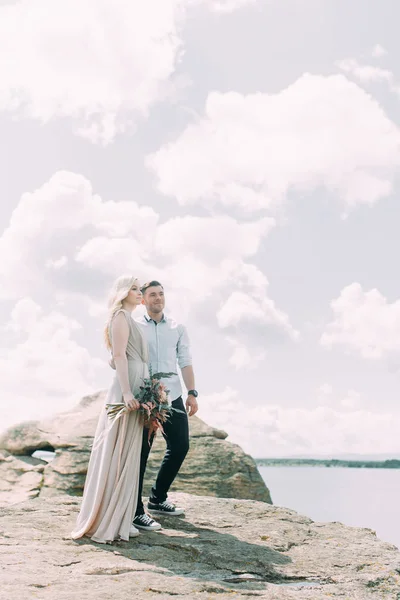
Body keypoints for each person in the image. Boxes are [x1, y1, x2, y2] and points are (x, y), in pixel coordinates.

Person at [71, 275, 148, 544]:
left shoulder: (129, 319)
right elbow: (118, 356)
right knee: (117, 448)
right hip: (127, 390)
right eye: (136, 289)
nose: (141, 293)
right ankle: (108, 517)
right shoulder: (120, 317)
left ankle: (122, 516)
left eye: (141, 289)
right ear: (124, 291)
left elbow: (119, 357)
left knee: (128, 451)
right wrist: (127, 391)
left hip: (137, 386)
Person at [131, 280, 198, 532]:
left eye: (161, 294)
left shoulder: (177, 327)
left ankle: (157, 499)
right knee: (141, 452)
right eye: (152, 295)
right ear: (143, 300)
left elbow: (186, 360)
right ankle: (136, 511)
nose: (158, 298)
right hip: (146, 396)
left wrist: (192, 393)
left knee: (180, 445)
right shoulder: (135, 326)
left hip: (173, 395)